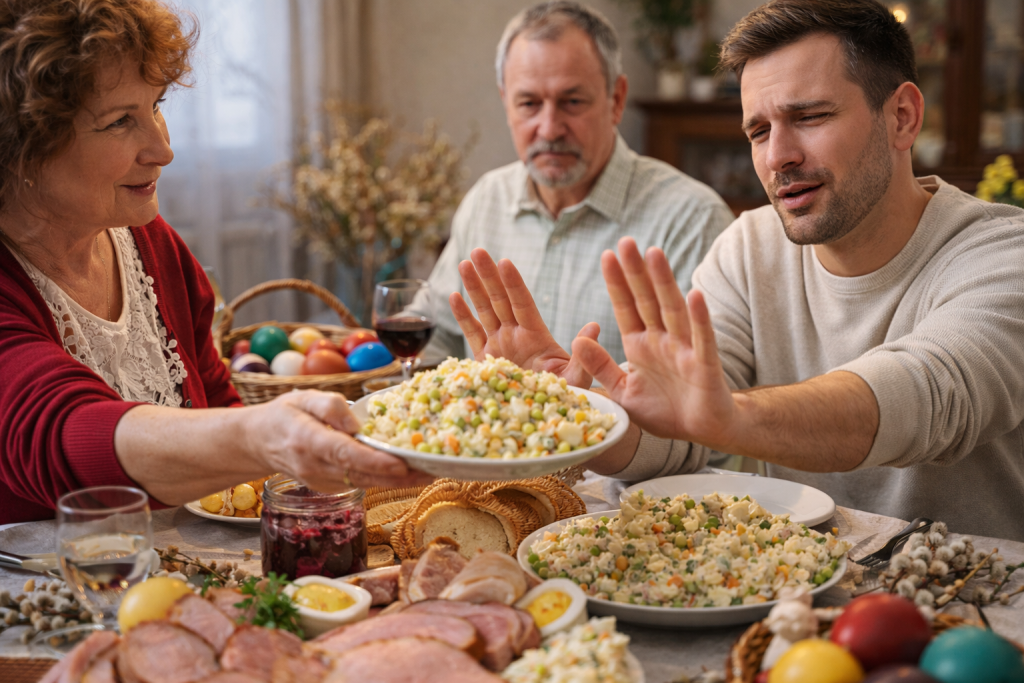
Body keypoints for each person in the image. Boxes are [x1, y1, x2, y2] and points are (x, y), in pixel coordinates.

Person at [451, 0, 1024, 541]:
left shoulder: (1002, 253)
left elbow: (925, 395)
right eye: (759, 131)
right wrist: (566, 414)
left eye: (810, 116)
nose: (778, 156)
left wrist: (733, 417)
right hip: (803, 584)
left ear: (902, 117)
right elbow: (675, 435)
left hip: (983, 591)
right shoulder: (748, 248)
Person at [0, 0, 430, 525]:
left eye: (156, 105)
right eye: (119, 122)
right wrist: (261, 437)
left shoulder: (151, 245)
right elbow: (61, 436)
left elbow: (217, 405)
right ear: (21, 146)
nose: (162, 149)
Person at [425, 1, 733, 366]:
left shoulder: (692, 220)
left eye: (572, 101)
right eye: (529, 103)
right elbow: (435, 334)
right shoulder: (485, 200)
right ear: (506, 102)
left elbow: (706, 381)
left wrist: (577, 396)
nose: (550, 129)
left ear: (616, 99)